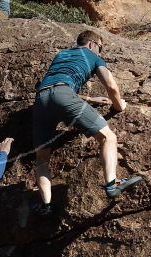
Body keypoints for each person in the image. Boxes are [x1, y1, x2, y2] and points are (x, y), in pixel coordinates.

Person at [32, 30, 142, 215]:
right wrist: (118, 105)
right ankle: (112, 183)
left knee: (42, 158)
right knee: (108, 137)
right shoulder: (92, 55)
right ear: (92, 44)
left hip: (41, 99)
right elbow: (111, 86)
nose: (100, 52)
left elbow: (56, 86)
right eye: (100, 48)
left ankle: (46, 206)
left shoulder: (62, 54)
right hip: (64, 95)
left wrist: (91, 99)